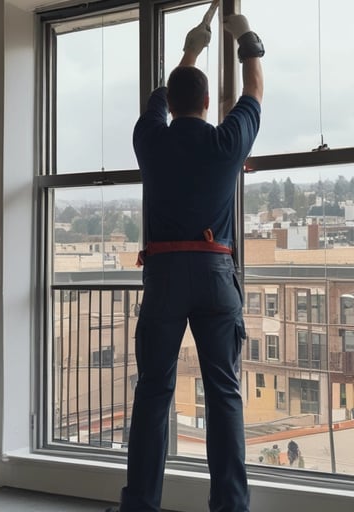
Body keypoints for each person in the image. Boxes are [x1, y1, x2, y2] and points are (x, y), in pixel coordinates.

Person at [108, 3, 264, 512]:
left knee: (154, 393)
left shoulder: (150, 140)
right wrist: (246, 40)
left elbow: (158, 98)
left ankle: (141, 506)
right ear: (204, 103)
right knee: (224, 395)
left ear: (173, 105)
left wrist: (192, 49)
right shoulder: (226, 142)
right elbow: (254, 93)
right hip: (216, 273)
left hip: (165, 276)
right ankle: (231, 508)